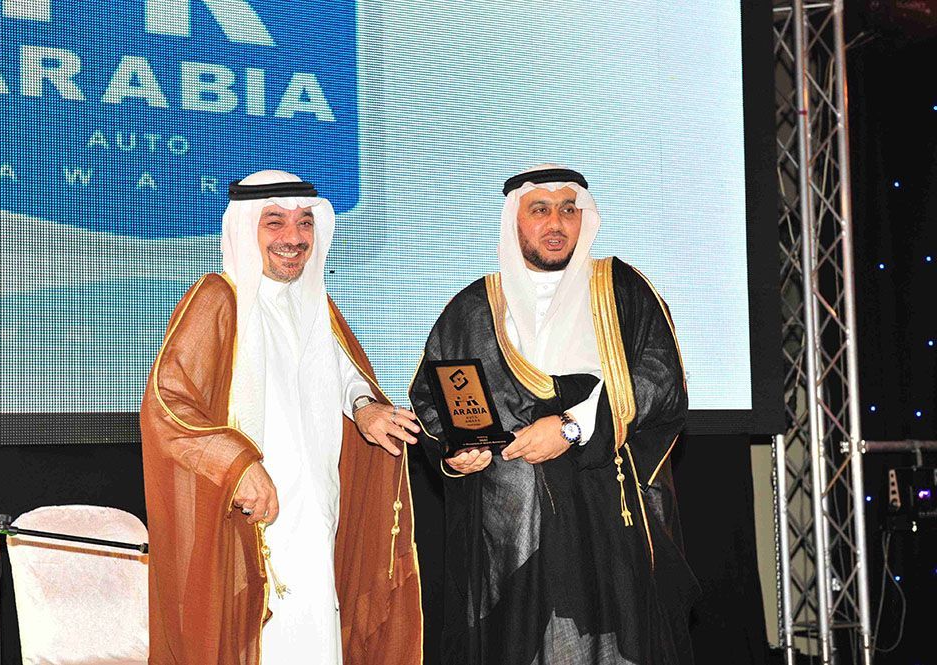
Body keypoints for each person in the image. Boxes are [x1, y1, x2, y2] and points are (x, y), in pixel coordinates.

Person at [409, 164, 698, 665]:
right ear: (515, 220)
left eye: (569, 209)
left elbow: (659, 378)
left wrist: (571, 426)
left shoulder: (621, 290)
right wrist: (455, 454)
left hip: (602, 514)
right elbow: (434, 398)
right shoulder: (473, 307)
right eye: (540, 210)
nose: (557, 223)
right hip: (508, 532)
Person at [140, 170, 423, 665]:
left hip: (315, 513)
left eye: (305, 223)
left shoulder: (315, 305)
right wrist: (238, 465)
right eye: (275, 222)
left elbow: (346, 376)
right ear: (246, 228)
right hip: (254, 518)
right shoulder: (218, 298)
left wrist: (365, 408)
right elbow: (169, 405)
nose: (294, 238)